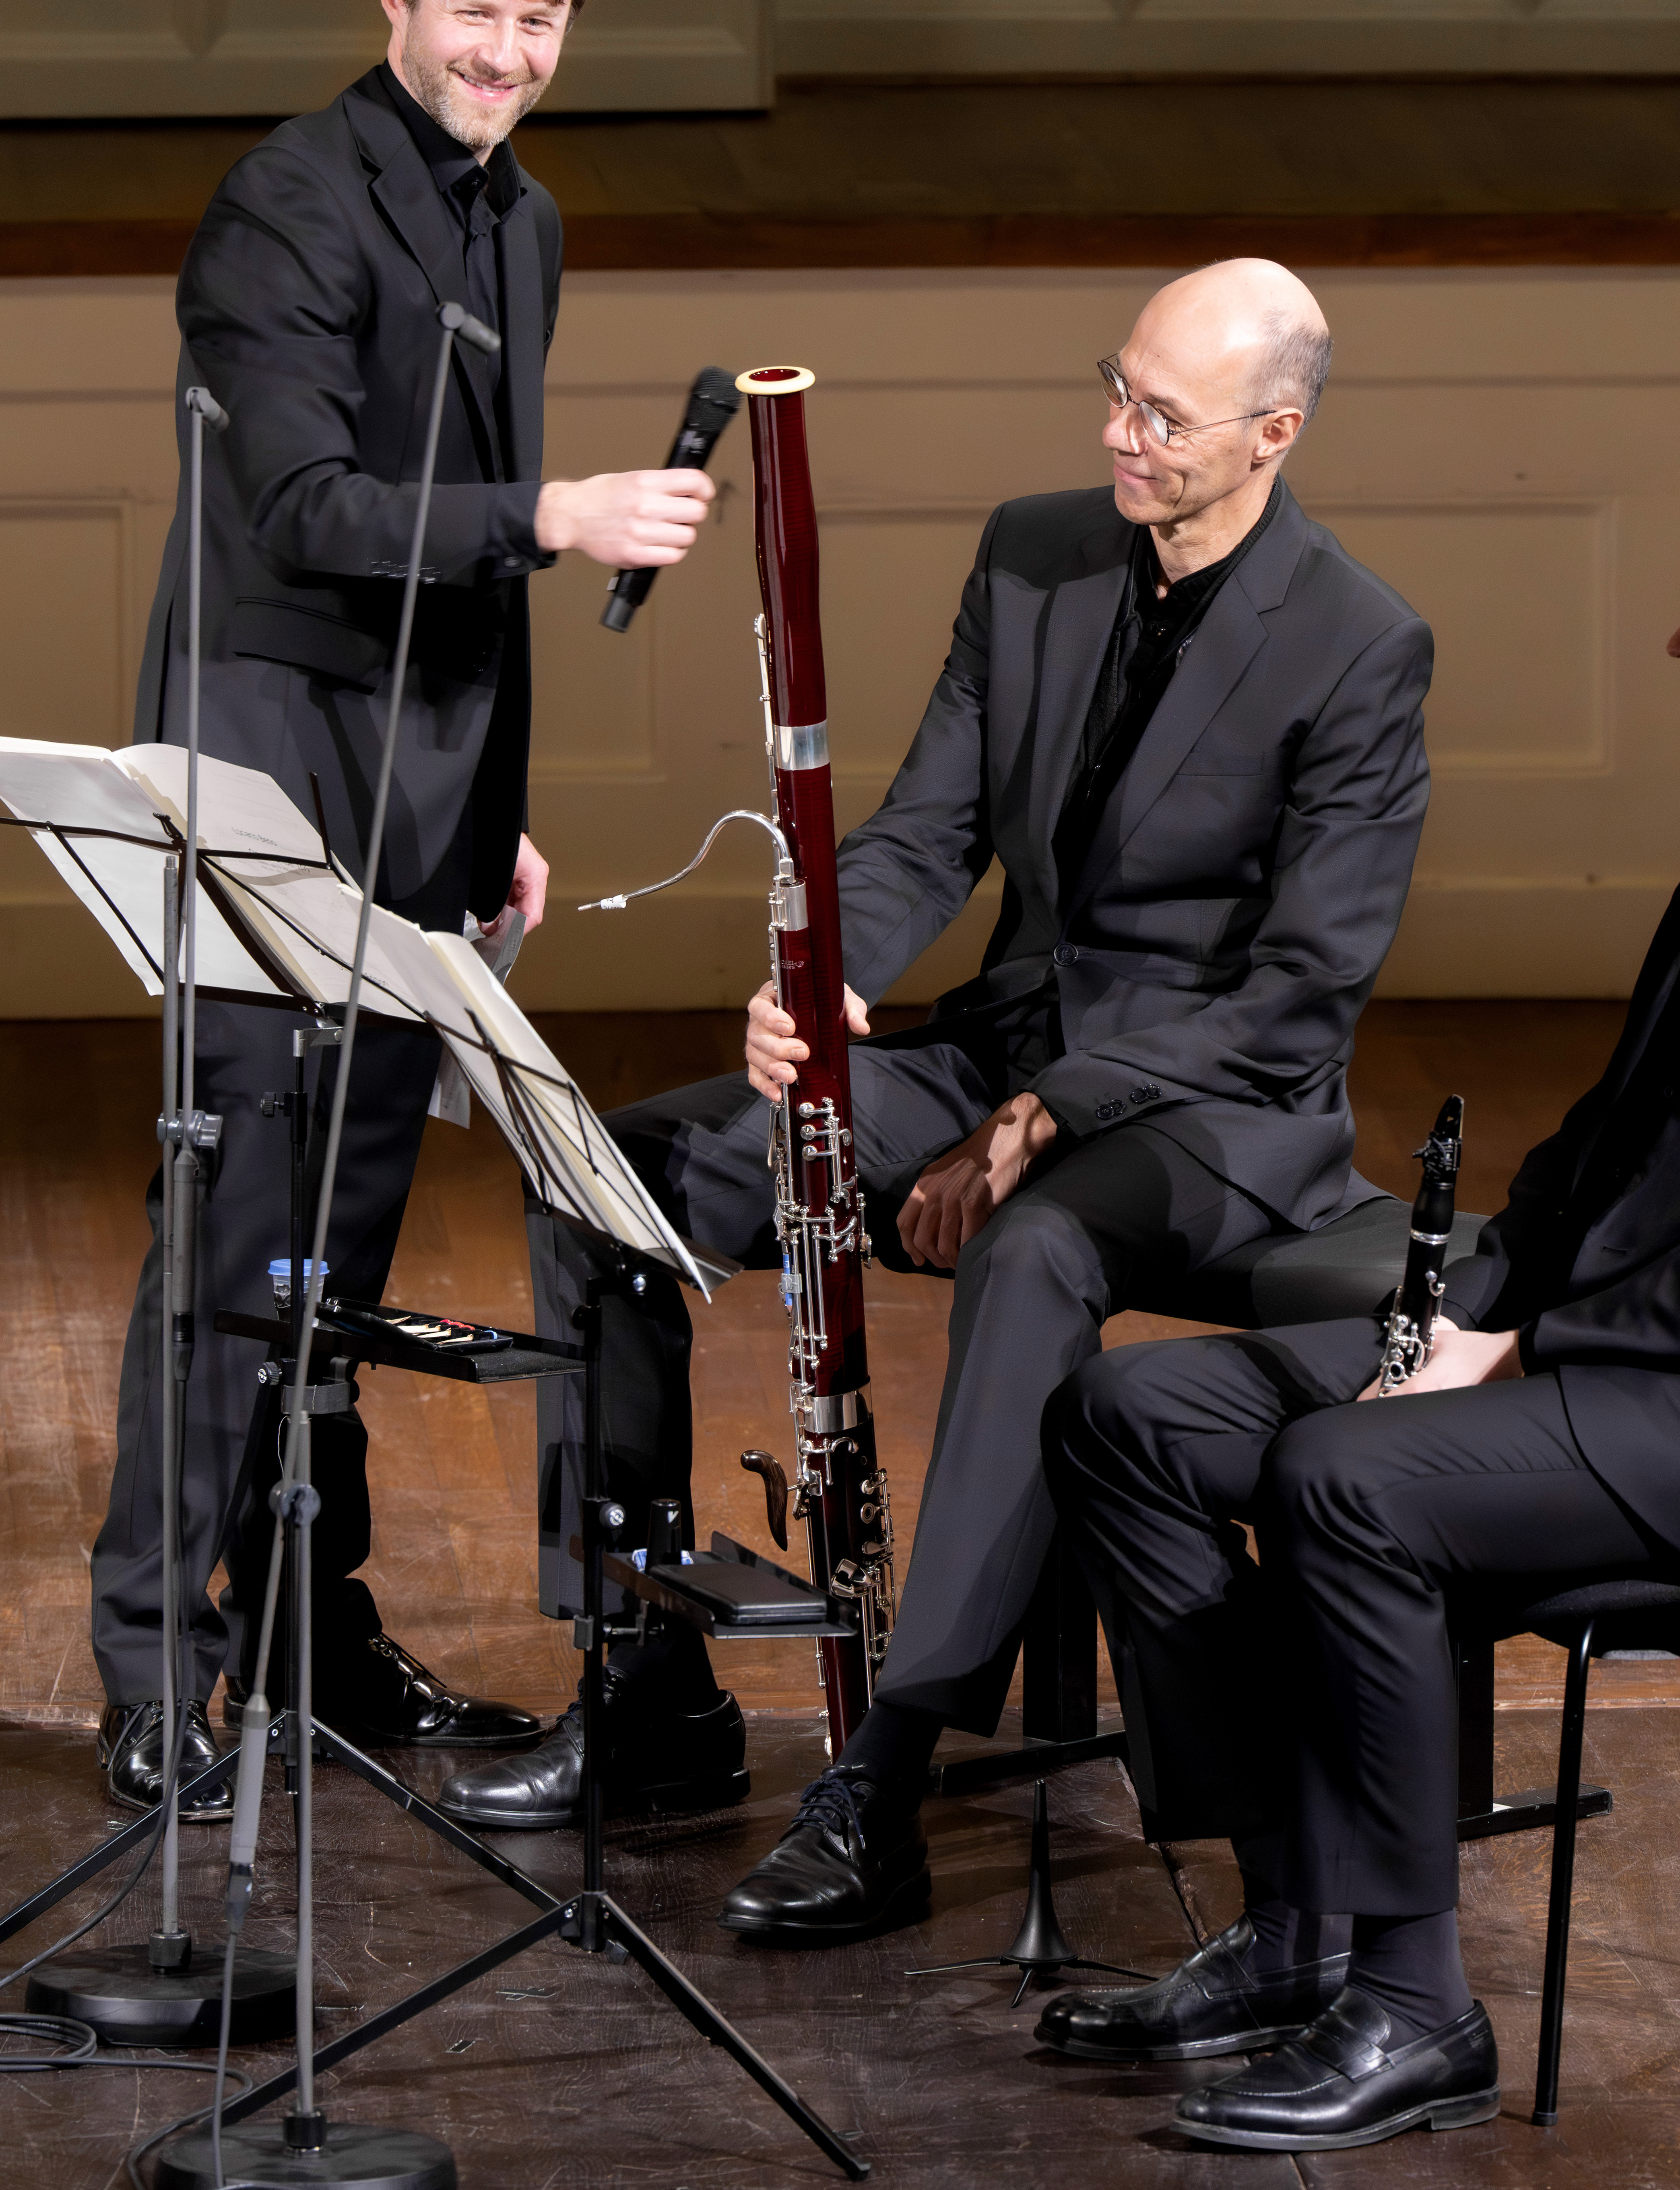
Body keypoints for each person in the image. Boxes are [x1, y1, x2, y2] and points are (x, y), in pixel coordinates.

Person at [1040, 437, 1680, 2154]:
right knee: (1134, 1414)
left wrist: (1516, 1353)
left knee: (1344, 1481)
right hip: (1611, 1377)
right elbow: (1597, 1158)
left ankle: (1411, 2004)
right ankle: (1290, 1915)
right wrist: (1473, 1305)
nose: (1678, 644)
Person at [443, 262, 1434, 1945]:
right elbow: (927, 823)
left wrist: (1052, 1109)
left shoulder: (1356, 645)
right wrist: (829, 975)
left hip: (1210, 1113)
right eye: (1112, 388)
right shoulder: (1035, 552)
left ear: (1272, 437)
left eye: (1162, 418)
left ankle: (880, 1778)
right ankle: (647, 1676)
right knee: (611, 1174)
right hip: (999, 1056)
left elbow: (1296, 996)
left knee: (1033, 1256)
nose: (1116, 434)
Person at [89, 0, 726, 1820]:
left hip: (420, 793)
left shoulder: (520, 221)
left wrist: (497, 819)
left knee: (341, 1254)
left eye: (541, 19)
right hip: (267, 760)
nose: (508, 50)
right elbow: (304, 512)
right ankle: (150, 1669)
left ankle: (311, 1644)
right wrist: (554, 518)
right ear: (394, 1)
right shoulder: (285, 202)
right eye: (476, 8)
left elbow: (477, 566)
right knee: (234, 1233)